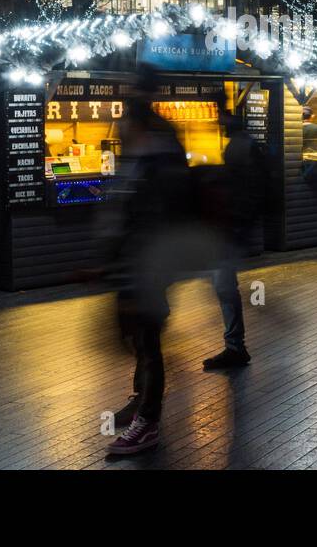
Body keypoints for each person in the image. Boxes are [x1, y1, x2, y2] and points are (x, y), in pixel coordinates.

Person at [101, 75, 192, 456]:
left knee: (148, 339)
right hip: (136, 262)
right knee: (137, 337)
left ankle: (148, 421)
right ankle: (141, 401)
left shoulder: (157, 156)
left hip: (151, 262)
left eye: (125, 128)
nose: (120, 134)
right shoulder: (142, 155)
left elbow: (156, 215)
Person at [202, 99, 264, 371]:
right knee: (222, 284)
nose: (219, 123)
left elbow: (243, 189)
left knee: (224, 284)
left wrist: (237, 222)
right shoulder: (242, 144)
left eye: (222, 118)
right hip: (233, 226)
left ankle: (236, 348)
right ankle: (235, 346)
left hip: (232, 227)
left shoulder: (240, 146)